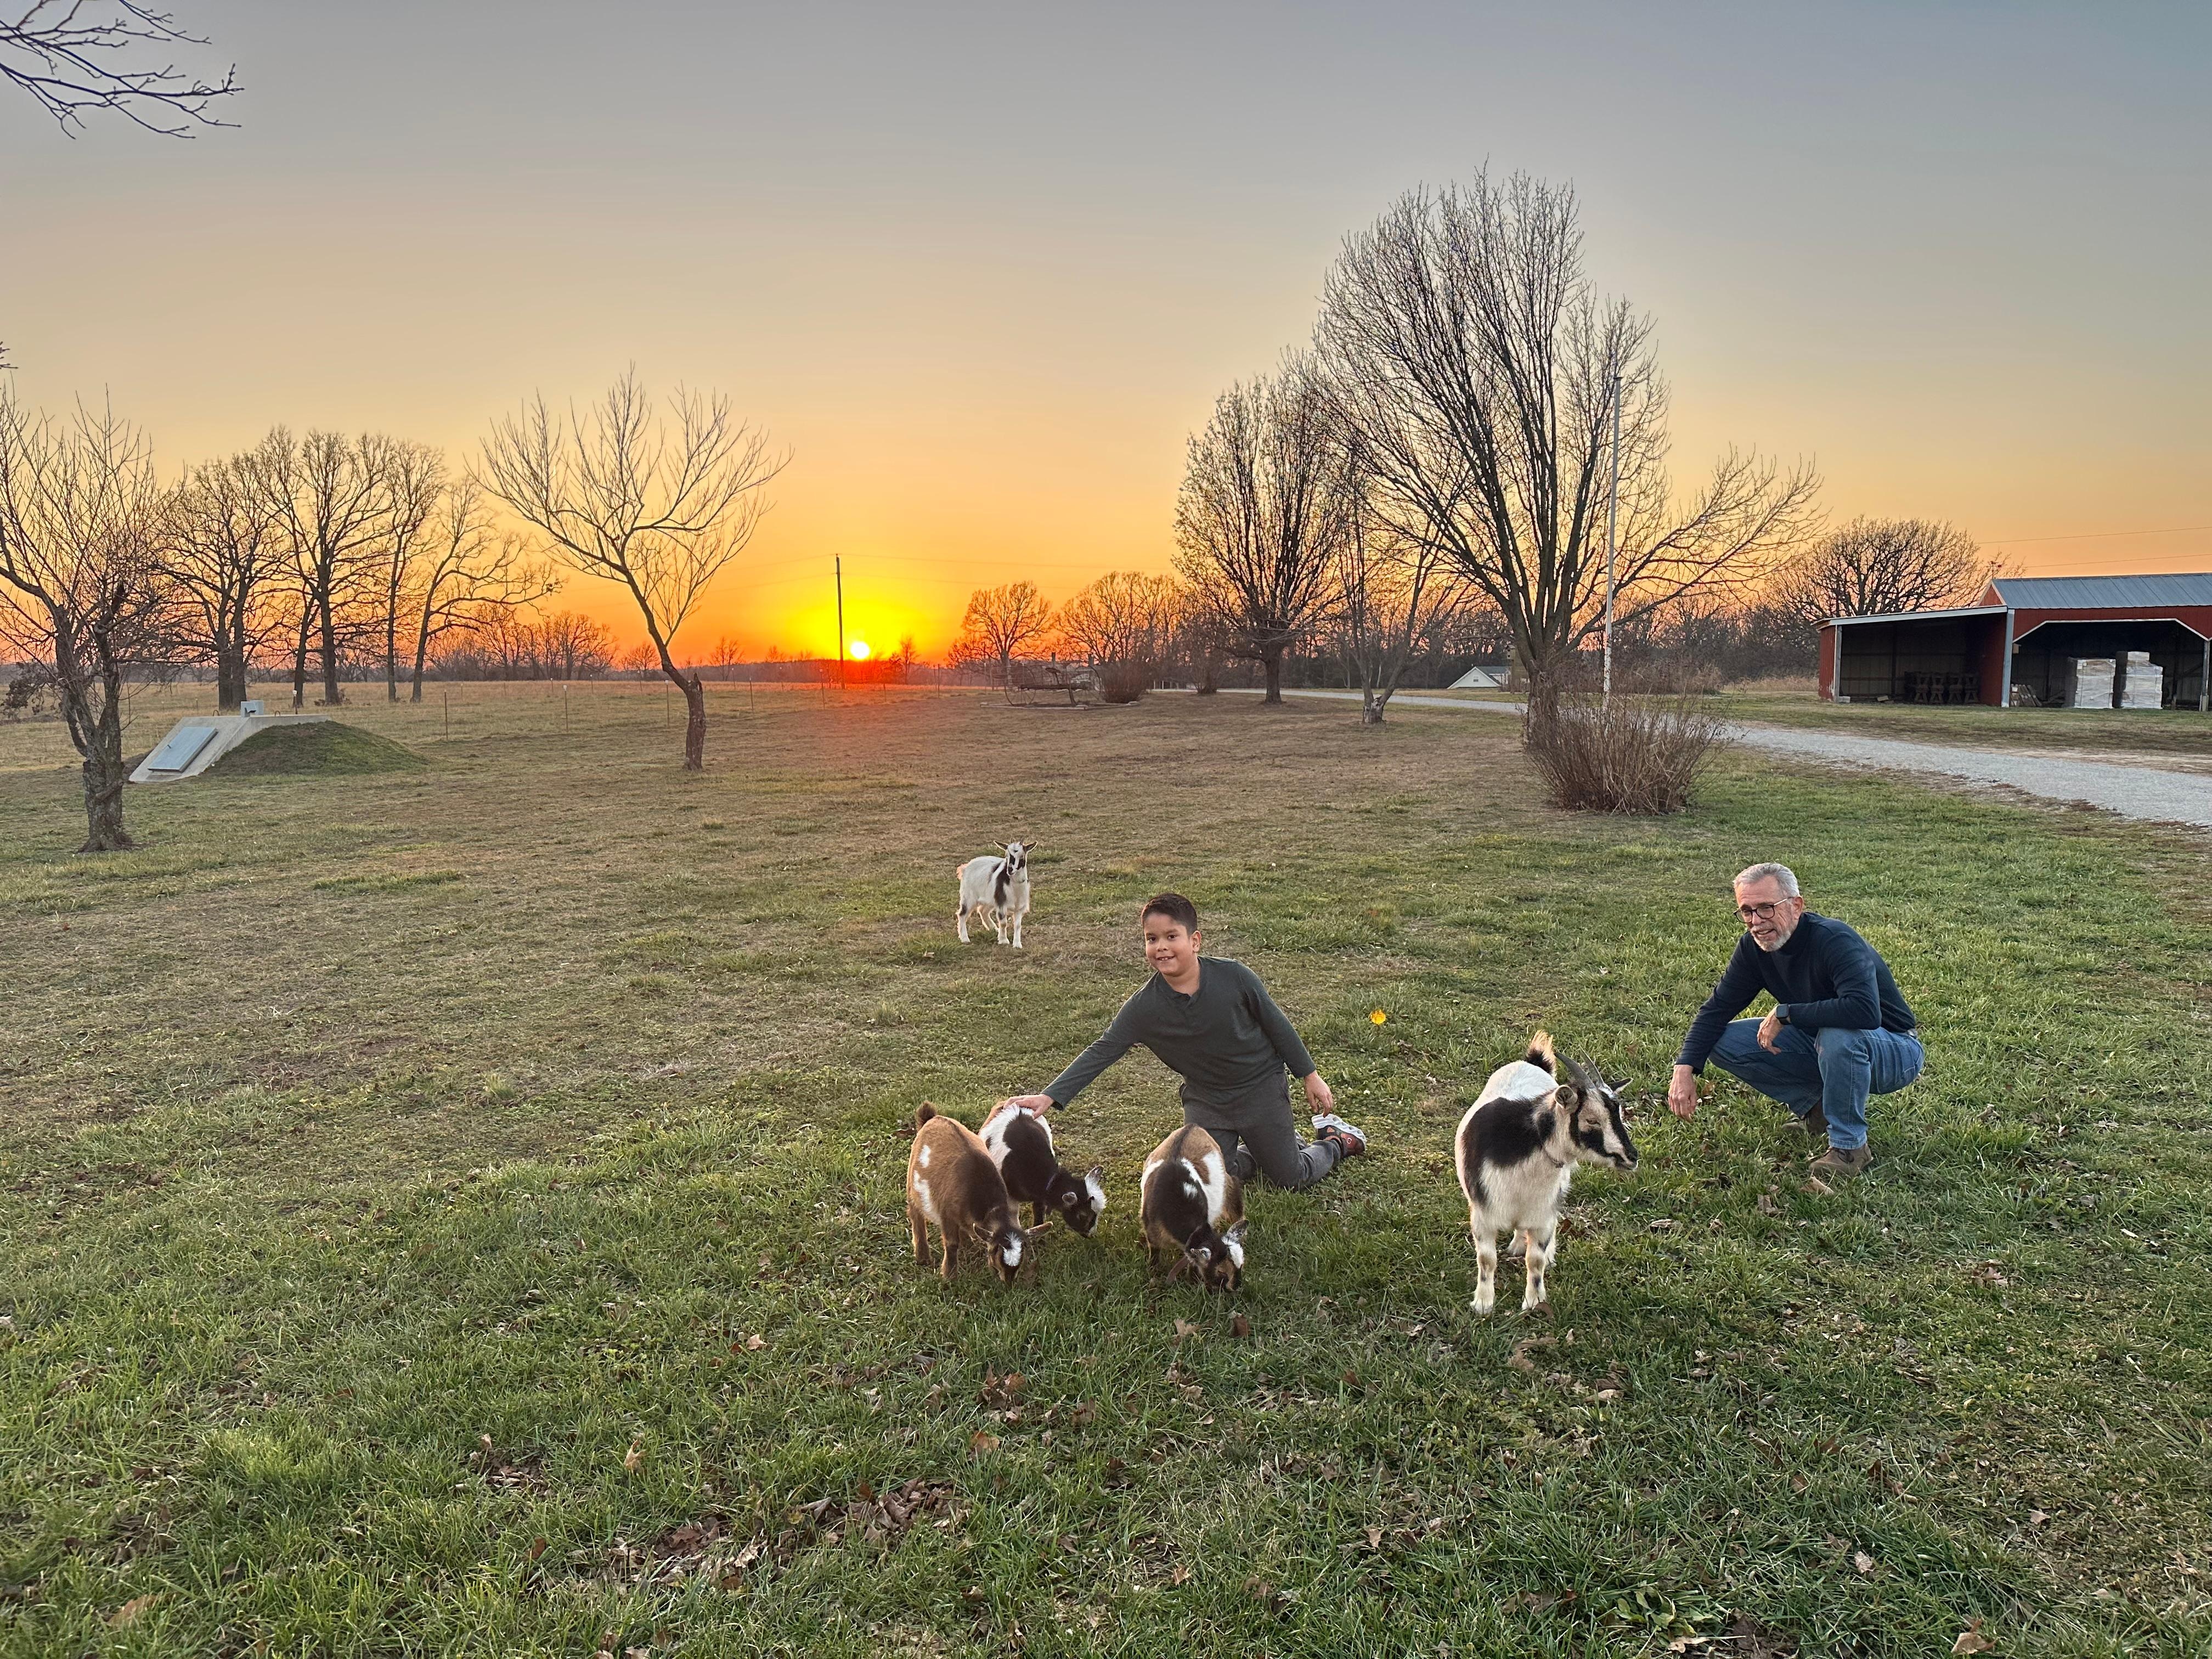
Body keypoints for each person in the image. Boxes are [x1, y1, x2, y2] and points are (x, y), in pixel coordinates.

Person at [1004, 892, 1366, 1188]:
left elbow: (1278, 1026)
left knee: (1290, 1177)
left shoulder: (1235, 977)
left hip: (1260, 1090)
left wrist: (1310, 1074)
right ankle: (1262, 1150)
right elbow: (1103, 1050)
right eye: (1151, 939)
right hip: (1207, 1101)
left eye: (1171, 937)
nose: (1161, 947)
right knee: (1213, 1180)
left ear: (1194, 941)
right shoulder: (1144, 1008)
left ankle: (1334, 1141)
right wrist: (1050, 1095)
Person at [1668, 862, 1921, 1179]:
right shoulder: (1753, 949)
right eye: (1746, 911)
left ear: (1797, 905)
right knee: (1721, 1041)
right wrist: (1685, 1067)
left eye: (1766, 908)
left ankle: (1850, 1148)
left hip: (1895, 1049)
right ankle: (1817, 1108)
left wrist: (1788, 1013)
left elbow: (1865, 1011)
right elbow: (1716, 1009)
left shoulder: (1834, 939)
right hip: (1823, 1042)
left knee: (1839, 1036)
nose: (1756, 922)